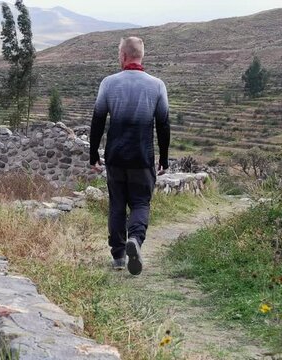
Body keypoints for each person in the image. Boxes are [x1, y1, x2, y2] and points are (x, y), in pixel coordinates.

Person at [89, 36, 171, 276]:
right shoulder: (157, 85)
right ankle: (135, 238)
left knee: (116, 205)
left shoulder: (108, 83)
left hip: (115, 157)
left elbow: (98, 120)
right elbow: (163, 125)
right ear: (140, 55)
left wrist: (94, 154)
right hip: (142, 157)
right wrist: (164, 159)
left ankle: (118, 256)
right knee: (140, 202)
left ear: (123, 55)